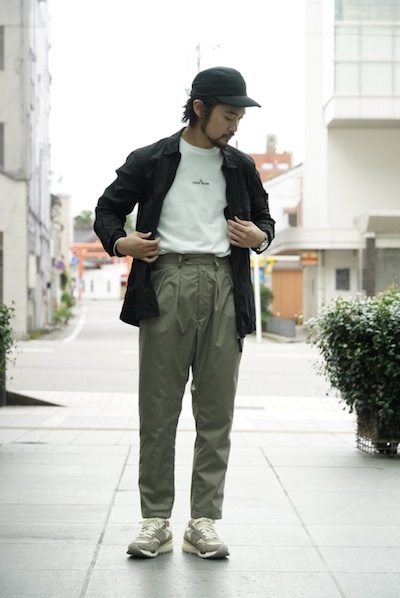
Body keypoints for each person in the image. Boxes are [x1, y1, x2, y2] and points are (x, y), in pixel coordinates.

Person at [94, 66, 275, 560]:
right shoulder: (151, 159)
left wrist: (259, 236)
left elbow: (265, 219)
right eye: (229, 115)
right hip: (165, 281)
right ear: (200, 108)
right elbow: (107, 210)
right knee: (158, 409)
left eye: (239, 117)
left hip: (224, 284)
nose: (235, 125)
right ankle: (156, 520)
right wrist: (121, 242)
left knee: (216, 411)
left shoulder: (240, 165)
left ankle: (203, 522)